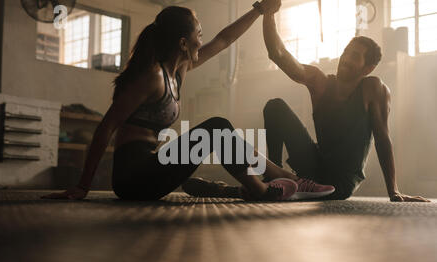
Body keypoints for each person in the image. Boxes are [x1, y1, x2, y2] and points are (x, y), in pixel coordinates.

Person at [42, 1, 335, 202]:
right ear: (183, 43)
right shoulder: (152, 77)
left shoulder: (178, 70)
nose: (202, 41)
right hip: (133, 178)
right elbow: (106, 128)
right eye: (198, 35)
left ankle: (262, 185)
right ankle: (268, 185)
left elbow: (223, 40)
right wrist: (83, 186)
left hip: (153, 168)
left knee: (218, 131)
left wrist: (258, 10)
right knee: (216, 128)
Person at [184, 10, 430, 202]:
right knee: (275, 106)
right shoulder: (320, 82)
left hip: (340, 183)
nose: (345, 58)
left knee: (282, 191)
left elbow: (383, 138)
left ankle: (237, 190)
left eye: (354, 56)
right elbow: (278, 54)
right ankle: (274, 177)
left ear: (367, 68)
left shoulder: (373, 88)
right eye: (346, 51)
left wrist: (393, 190)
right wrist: (269, 13)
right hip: (312, 165)